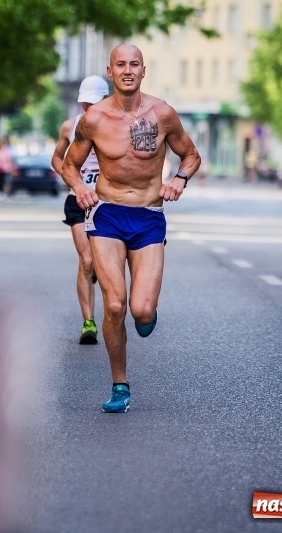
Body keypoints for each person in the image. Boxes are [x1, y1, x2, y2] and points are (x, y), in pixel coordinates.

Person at [61, 43, 201, 413]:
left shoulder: (162, 114)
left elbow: (191, 154)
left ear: (143, 71)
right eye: (120, 64)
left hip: (149, 216)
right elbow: (69, 164)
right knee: (114, 304)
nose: (127, 70)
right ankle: (120, 384)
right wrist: (79, 188)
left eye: (134, 64)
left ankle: (146, 311)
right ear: (110, 72)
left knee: (140, 310)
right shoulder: (94, 120)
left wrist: (179, 179)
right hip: (107, 215)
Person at [51, 75, 110, 345]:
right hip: (77, 200)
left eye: (95, 102)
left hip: (108, 202)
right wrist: (72, 180)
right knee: (86, 260)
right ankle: (88, 322)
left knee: (100, 262)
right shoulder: (70, 126)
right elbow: (57, 158)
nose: (90, 108)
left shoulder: (116, 126)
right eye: (86, 103)